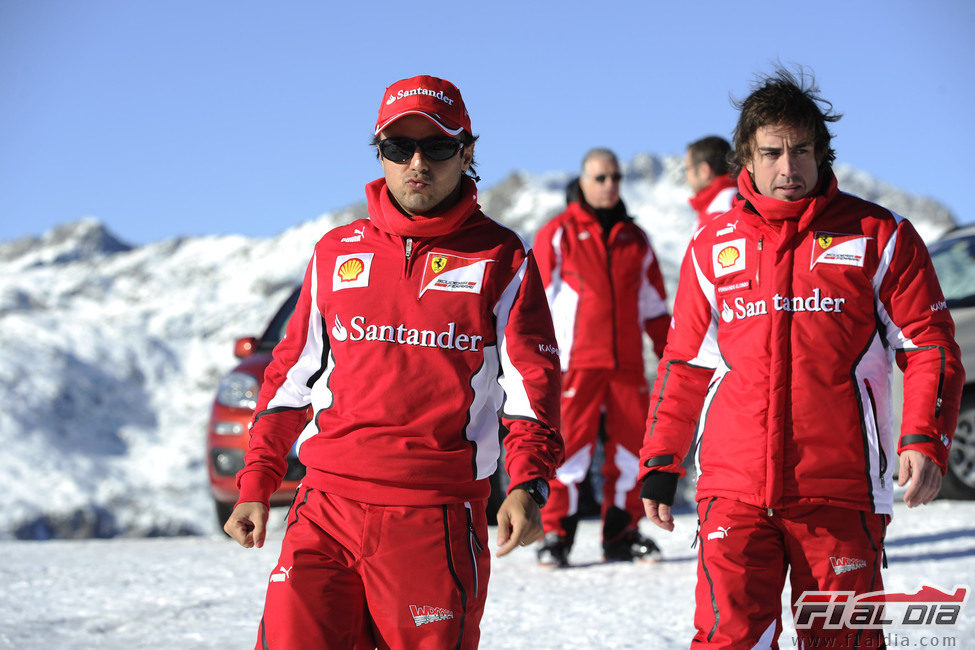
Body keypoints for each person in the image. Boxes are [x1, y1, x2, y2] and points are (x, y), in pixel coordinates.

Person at [224, 74, 565, 649]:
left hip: (432, 519)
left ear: (467, 151)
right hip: (325, 509)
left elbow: (531, 386)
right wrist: (257, 480)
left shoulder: (502, 257)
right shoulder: (336, 253)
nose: (417, 163)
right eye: (397, 148)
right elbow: (289, 379)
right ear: (378, 152)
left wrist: (528, 486)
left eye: (436, 147)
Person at [639, 68, 964, 648]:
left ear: (822, 152)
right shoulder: (711, 246)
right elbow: (684, 364)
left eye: (802, 150)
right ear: (747, 159)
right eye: (772, 153)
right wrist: (661, 463)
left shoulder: (880, 235)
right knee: (727, 641)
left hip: (838, 493)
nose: (788, 168)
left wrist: (924, 438)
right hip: (733, 491)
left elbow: (929, 343)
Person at [533, 148, 670, 567]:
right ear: (584, 182)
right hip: (576, 363)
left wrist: (670, 356)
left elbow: (655, 307)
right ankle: (557, 535)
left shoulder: (636, 239)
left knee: (631, 454)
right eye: (601, 178)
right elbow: (534, 302)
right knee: (569, 454)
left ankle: (622, 534)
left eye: (615, 178)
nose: (610, 185)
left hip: (627, 365)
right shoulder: (559, 233)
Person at [684, 135, 737, 227]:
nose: (686, 178)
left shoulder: (721, 209)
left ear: (704, 170)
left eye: (688, 169)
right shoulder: (736, 198)